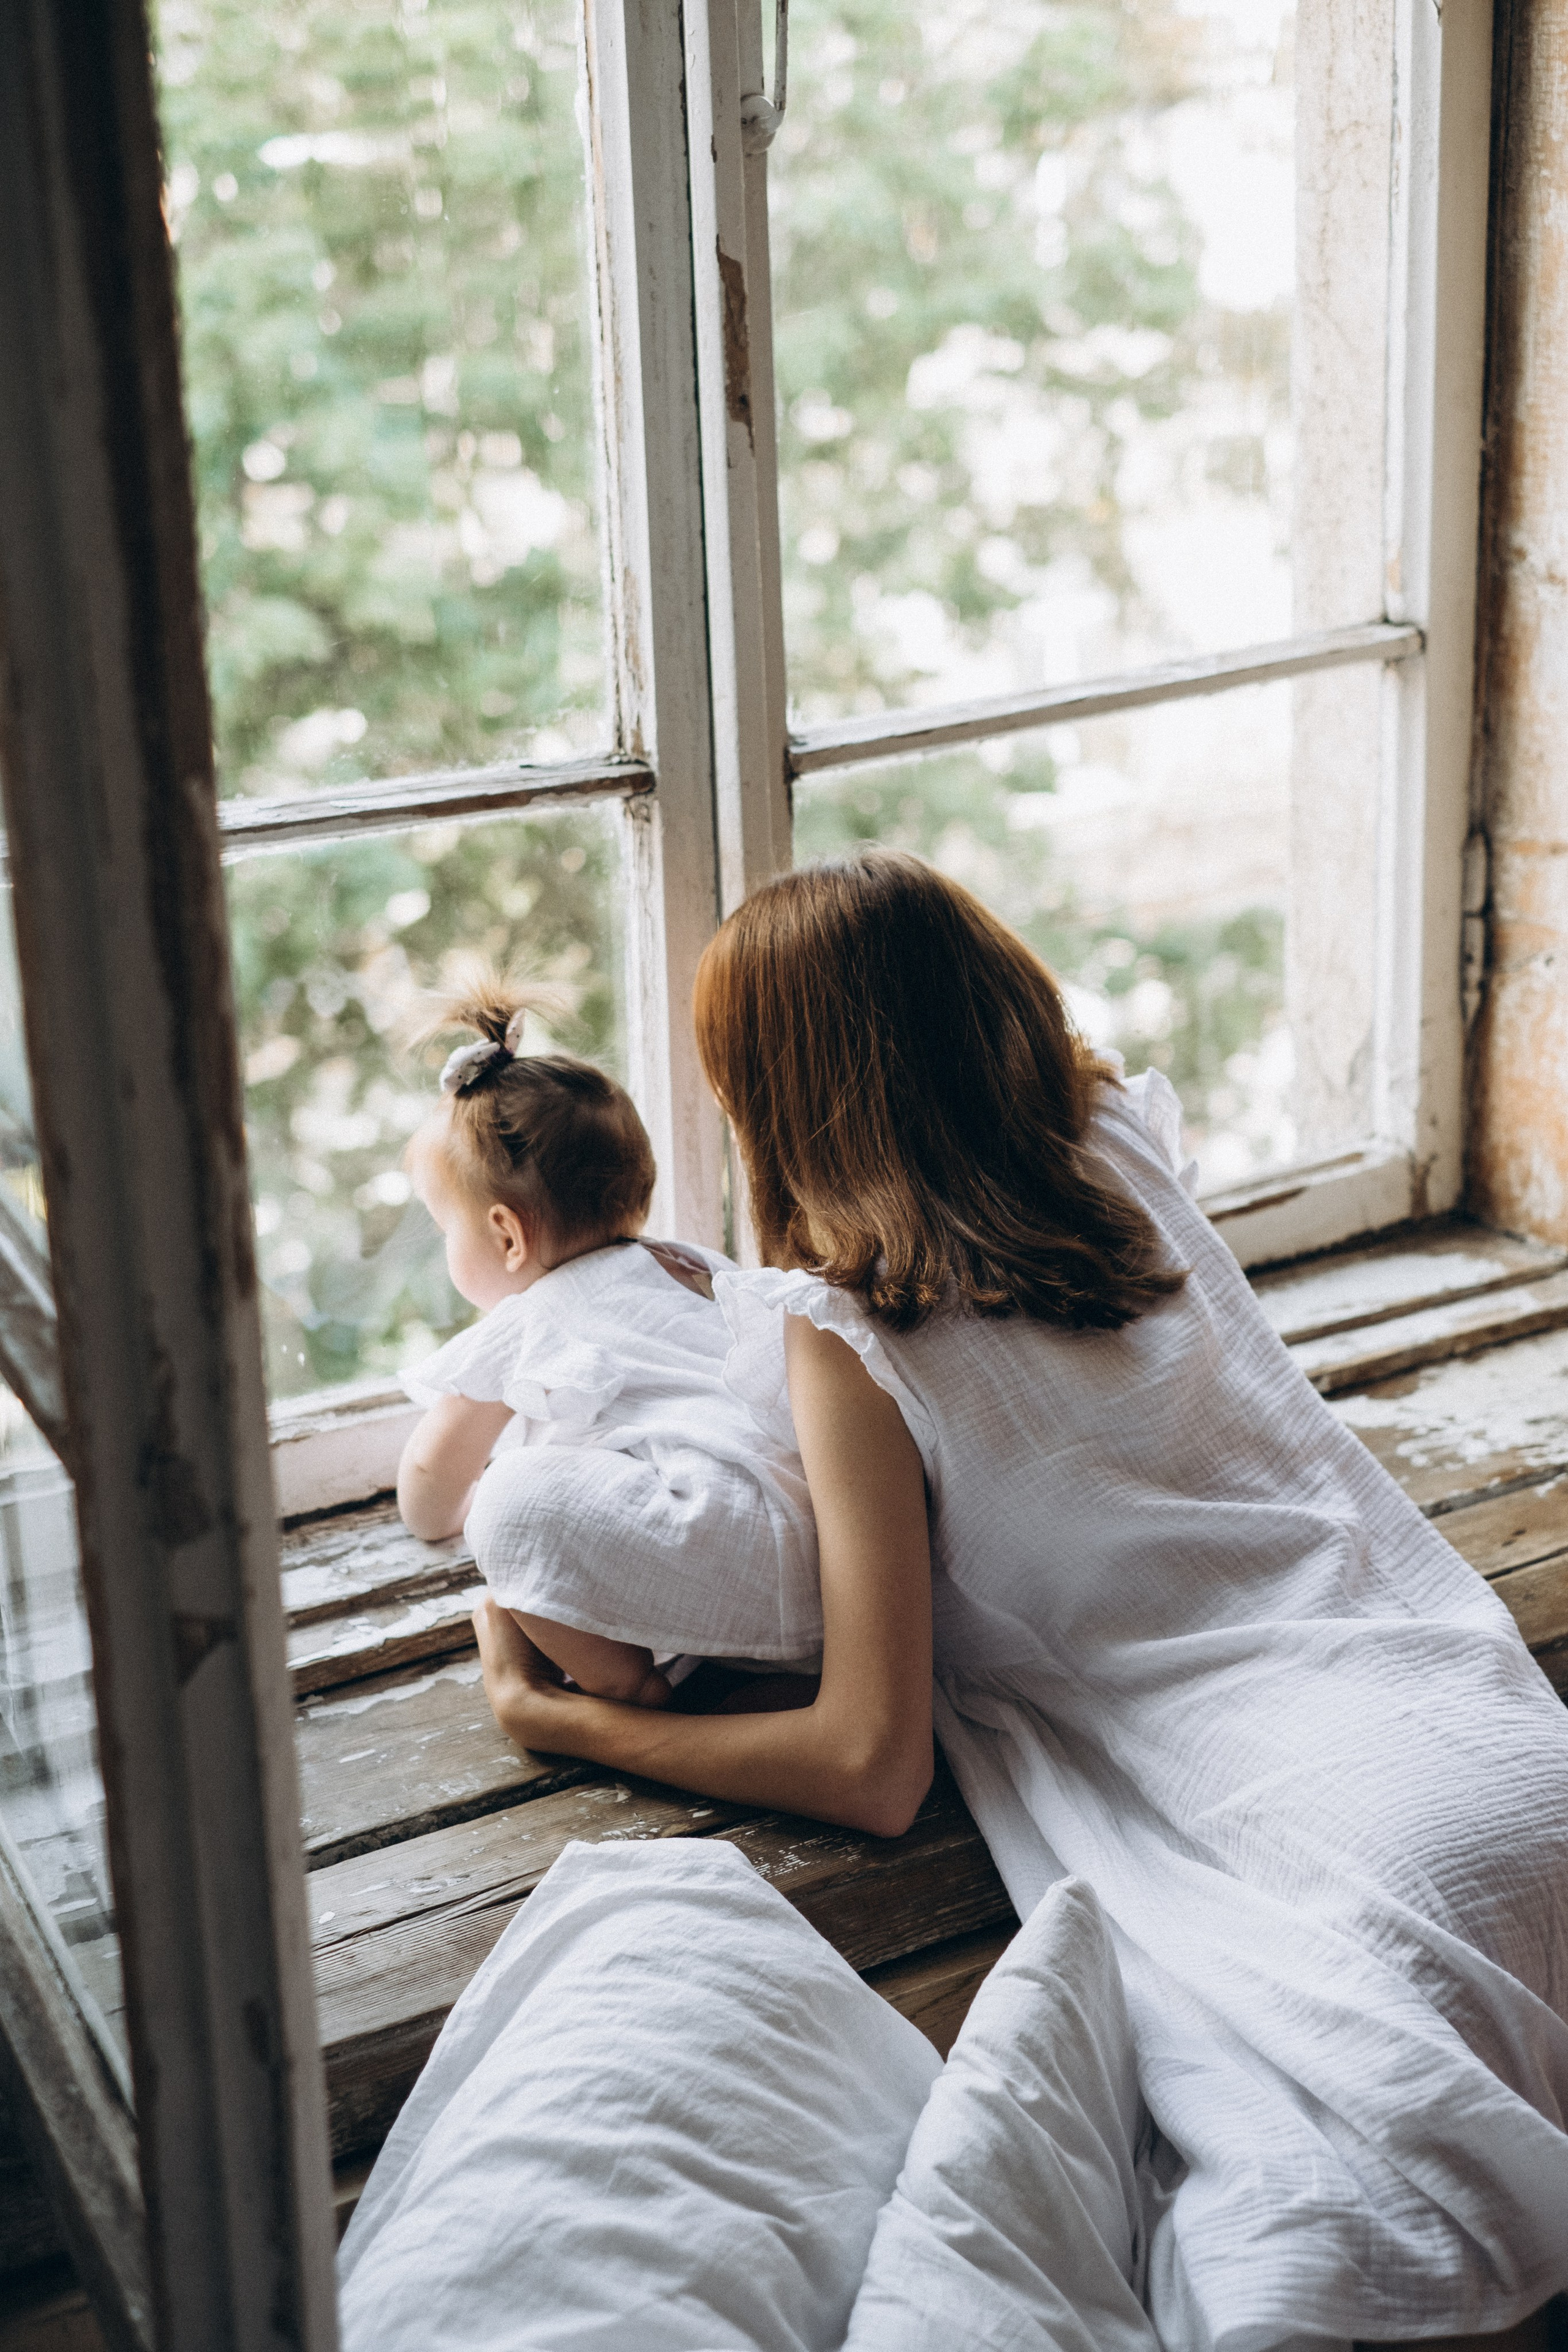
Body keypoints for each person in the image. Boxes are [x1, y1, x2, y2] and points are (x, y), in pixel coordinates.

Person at [473, 851, 1568, 2352]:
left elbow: (870, 1761)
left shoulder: (847, 1328)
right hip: (1491, 1736)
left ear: (769, 1094)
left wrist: (560, 1717)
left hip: (1311, 1841)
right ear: (990, 994)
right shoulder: (1120, 1154)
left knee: (1302, 2261)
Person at [395, 979, 821, 1708]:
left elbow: (430, 1499)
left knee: (507, 1506)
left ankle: (625, 1684)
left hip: (745, 1561)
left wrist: (485, 1511)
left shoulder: (529, 1321)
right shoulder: (687, 1264)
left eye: (445, 1229)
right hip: (841, 1549)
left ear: (505, 1234)